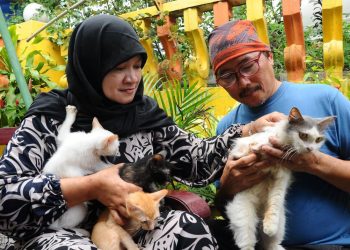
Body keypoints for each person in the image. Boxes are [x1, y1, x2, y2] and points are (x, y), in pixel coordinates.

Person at [0, 15, 282, 250]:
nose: (132, 78)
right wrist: (91, 186)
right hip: (61, 232)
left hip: (135, 226)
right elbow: (6, 196)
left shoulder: (143, 113)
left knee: (187, 231)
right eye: (119, 68)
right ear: (91, 68)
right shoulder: (52, 117)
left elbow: (194, 160)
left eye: (137, 66)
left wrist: (248, 130)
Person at [207, 19, 350, 249]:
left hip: (329, 244)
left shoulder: (326, 101)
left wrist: (313, 163)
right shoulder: (227, 128)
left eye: (248, 65)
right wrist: (229, 185)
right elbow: (227, 209)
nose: (243, 81)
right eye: (227, 76)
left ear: (269, 57)